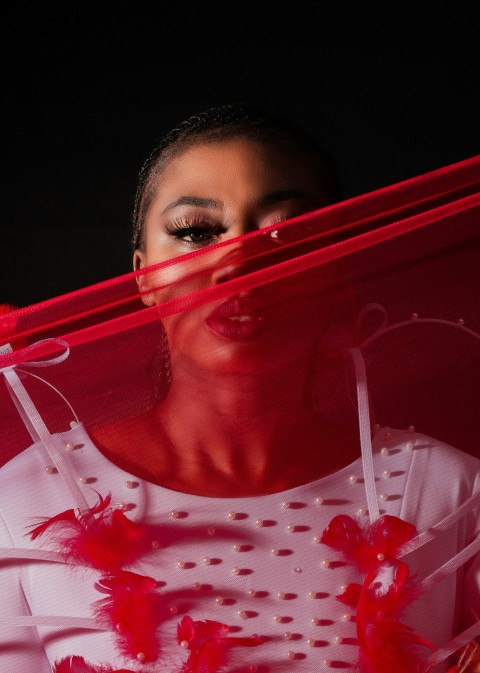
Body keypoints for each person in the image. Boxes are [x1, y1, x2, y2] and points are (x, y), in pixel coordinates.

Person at [0, 103, 478, 673]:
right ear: (143, 275)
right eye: (195, 232)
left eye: (286, 233)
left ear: (338, 267)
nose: (240, 264)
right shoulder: (25, 501)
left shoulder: (453, 494)